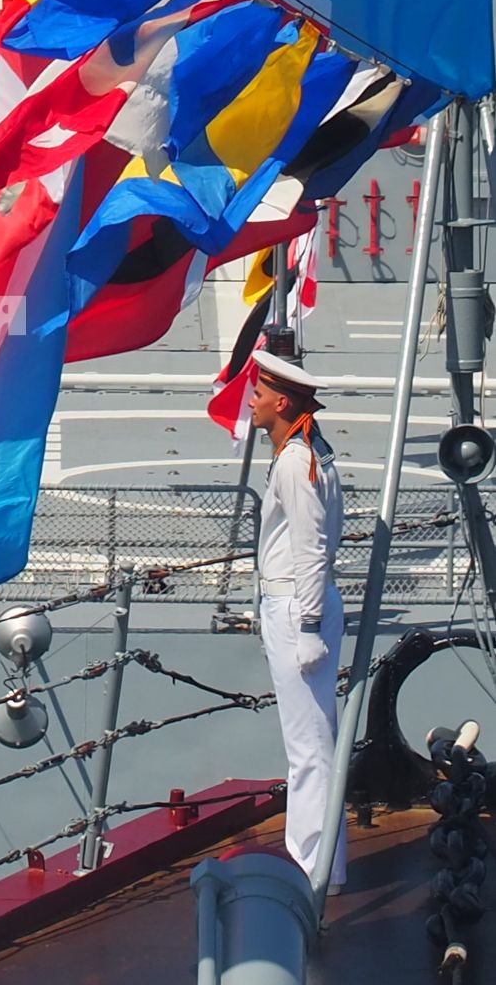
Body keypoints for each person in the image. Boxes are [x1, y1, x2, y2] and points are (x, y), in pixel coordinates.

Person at [248, 349, 347, 889]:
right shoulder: (311, 451)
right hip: (296, 603)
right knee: (314, 740)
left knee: (308, 746)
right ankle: (323, 862)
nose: (253, 401)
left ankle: (315, 868)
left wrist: (307, 626)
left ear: (282, 401)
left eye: (259, 394)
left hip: (295, 608)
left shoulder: (295, 462)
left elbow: (310, 548)